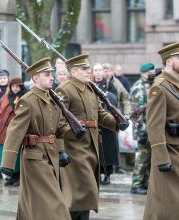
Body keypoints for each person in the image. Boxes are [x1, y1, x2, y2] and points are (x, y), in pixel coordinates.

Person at [0, 58, 72, 220]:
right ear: (35, 78)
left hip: (51, 156)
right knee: (55, 203)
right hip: (35, 158)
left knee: (34, 202)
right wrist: (7, 163)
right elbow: (14, 132)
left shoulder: (52, 99)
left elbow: (58, 129)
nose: (52, 77)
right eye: (47, 75)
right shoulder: (28, 101)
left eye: (51, 74)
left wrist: (62, 149)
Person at [55, 54, 118, 220]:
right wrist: (73, 133)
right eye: (84, 69)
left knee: (87, 193)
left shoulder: (89, 88)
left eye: (88, 68)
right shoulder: (65, 89)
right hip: (74, 149)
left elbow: (101, 114)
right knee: (79, 192)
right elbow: (59, 123)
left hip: (92, 147)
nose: (88, 71)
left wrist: (116, 122)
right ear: (73, 71)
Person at [143, 41, 179, 220]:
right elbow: (154, 126)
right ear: (168, 61)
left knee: (168, 206)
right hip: (170, 152)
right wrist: (161, 159)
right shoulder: (159, 87)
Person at [130, 63, 155, 195]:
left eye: (152, 71)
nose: (152, 73)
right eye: (149, 72)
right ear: (142, 73)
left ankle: (144, 183)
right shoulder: (139, 87)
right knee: (142, 157)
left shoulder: (150, 85)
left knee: (148, 157)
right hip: (142, 130)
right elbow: (137, 113)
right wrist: (141, 132)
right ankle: (136, 184)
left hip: (149, 128)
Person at [92, 63, 119, 185]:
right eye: (95, 70)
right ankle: (97, 173)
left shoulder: (109, 84)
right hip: (95, 122)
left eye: (99, 70)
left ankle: (107, 175)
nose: (98, 72)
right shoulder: (90, 84)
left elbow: (114, 100)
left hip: (107, 121)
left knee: (108, 150)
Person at [102, 63, 132, 173]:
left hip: (115, 115)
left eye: (109, 70)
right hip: (102, 116)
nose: (107, 72)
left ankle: (117, 166)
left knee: (116, 141)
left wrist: (127, 113)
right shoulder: (96, 83)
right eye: (105, 70)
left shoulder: (117, 83)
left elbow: (125, 98)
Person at [0, 77, 26, 187]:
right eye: (13, 86)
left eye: (17, 86)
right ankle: (11, 176)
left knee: (17, 154)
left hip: (18, 130)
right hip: (6, 129)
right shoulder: (6, 97)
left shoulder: (25, 96)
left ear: (21, 86)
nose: (15, 89)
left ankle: (18, 177)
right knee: (8, 153)